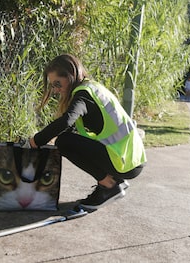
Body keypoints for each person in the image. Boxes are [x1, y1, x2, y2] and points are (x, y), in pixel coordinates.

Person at [28, 54, 146, 210]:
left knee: (64, 142)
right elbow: (69, 128)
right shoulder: (91, 88)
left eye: (57, 83)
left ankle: (109, 185)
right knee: (65, 140)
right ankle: (115, 180)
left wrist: (35, 141)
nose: (56, 90)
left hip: (124, 161)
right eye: (52, 85)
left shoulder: (83, 95)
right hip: (130, 158)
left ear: (70, 75)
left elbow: (66, 121)